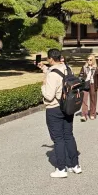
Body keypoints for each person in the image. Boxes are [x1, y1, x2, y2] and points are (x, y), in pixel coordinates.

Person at [39, 49, 81, 178]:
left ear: (50, 59)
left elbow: (49, 95)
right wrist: (45, 69)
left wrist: (43, 85)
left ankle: (61, 168)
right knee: (68, 135)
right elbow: (60, 77)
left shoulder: (52, 75)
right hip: (68, 106)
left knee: (58, 139)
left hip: (55, 108)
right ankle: (75, 165)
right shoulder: (68, 69)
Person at [79, 55, 98, 121]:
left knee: (93, 100)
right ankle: (84, 115)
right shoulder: (84, 67)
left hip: (93, 84)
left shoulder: (97, 68)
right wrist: (81, 81)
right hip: (85, 84)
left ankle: (92, 114)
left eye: (90, 60)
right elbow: (80, 75)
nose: (89, 61)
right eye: (88, 59)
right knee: (84, 99)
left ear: (93, 60)